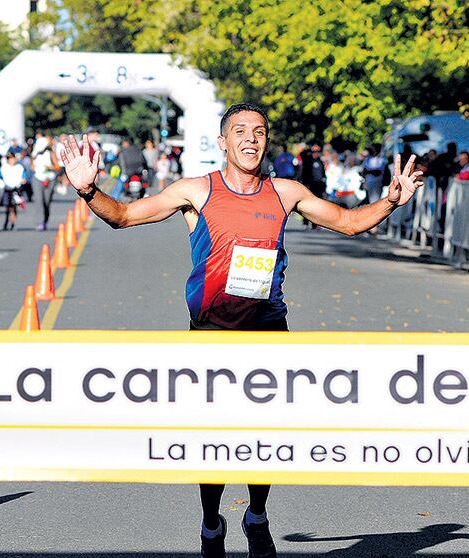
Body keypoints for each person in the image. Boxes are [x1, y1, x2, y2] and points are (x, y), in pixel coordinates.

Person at [59, 102, 423, 558]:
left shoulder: (285, 192)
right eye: (240, 131)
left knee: (264, 435)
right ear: (223, 142)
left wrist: (391, 199)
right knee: (212, 440)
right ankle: (211, 522)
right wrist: (89, 190)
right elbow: (125, 216)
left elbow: (348, 223)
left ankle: (256, 514)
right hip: (211, 333)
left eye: (259, 131)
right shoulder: (196, 191)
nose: (251, 139)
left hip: (268, 331)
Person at [31, 134, 61, 231]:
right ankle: (40, 222)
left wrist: (50, 168)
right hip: (37, 179)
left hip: (50, 179)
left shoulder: (51, 153)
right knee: (39, 200)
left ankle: (45, 219)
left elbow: (57, 167)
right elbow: (32, 166)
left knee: (46, 201)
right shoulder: (35, 154)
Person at [0, 152, 27, 230]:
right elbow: (0, 177)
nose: (12, 160)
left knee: (14, 207)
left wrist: (23, 181)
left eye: (13, 158)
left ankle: (13, 223)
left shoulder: (19, 167)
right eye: (10, 158)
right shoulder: (4, 168)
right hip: (7, 189)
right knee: (7, 207)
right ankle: (6, 222)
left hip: (16, 189)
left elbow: (23, 177)